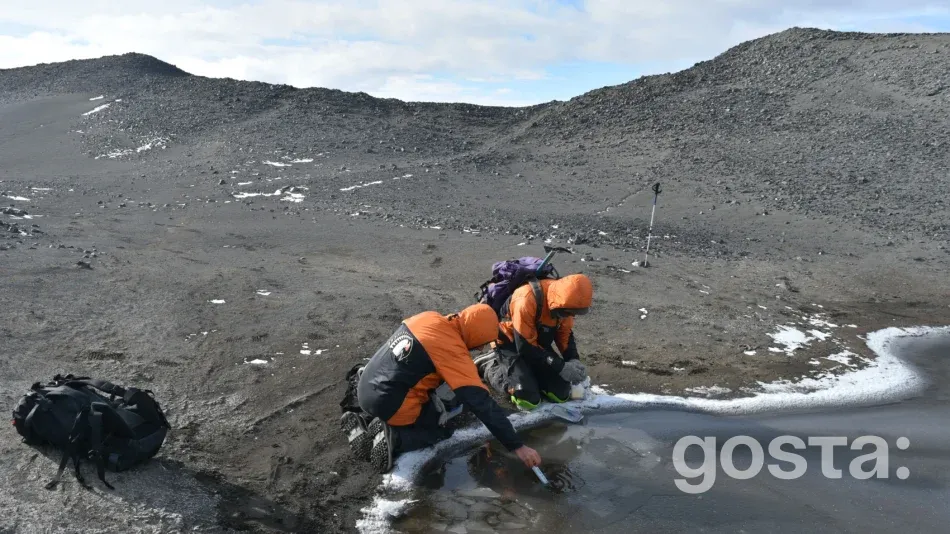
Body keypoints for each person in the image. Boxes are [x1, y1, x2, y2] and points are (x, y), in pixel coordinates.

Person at [340, 303, 542, 474]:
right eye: (481, 343)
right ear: (476, 333)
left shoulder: (430, 318)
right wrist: (518, 446)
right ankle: (395, 438)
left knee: (432, 386)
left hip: (366, 388)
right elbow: (481, 402)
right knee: (441, 429)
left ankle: (368, 420)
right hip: (390, 403)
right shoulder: (452, 349)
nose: (480, 349)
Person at [477, 273, 593, 410]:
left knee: (561, 395)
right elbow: (524, 346)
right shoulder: (525, 299)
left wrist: (573, 360)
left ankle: (528, 373)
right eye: (570, 313)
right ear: (559, 305)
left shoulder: (565, 306)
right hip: (511, 342)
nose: (572, 316)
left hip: (536, 345)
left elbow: (565, 334)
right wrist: (560, 366)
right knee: (527, 399)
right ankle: (490, 365)